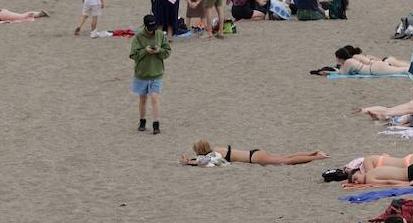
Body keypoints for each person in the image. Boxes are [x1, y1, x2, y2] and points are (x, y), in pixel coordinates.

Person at [130, 13, 170, 134]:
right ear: (145, 26)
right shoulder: (138, 37)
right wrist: (145, 51)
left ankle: (156, 124)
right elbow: (133, 55)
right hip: (142, 73)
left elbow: (167, 51)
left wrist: (159, 51)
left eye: (154, 28)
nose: (152, 31)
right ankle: (142, 121)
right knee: (142, 99)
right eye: (150, 28)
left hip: (156, 72)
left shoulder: (160, 34)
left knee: (154, 97)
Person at [180, 140, 329, 167]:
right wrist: (191, 160)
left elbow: (203, 161)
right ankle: (313, 153)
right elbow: (203, 158)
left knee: (287, 161)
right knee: (286, 156)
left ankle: (316, 157)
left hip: (255, 158)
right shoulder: (216, 149)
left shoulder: (213, 154)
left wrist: (189, 162)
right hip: (255, 153)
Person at [334, 45, 413, 75]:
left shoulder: (350, 61)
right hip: (377, 65)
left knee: (406, 69)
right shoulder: (355, 59)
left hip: (376, 69)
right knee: (406, 67)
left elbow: (342, 73)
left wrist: (337, 69)